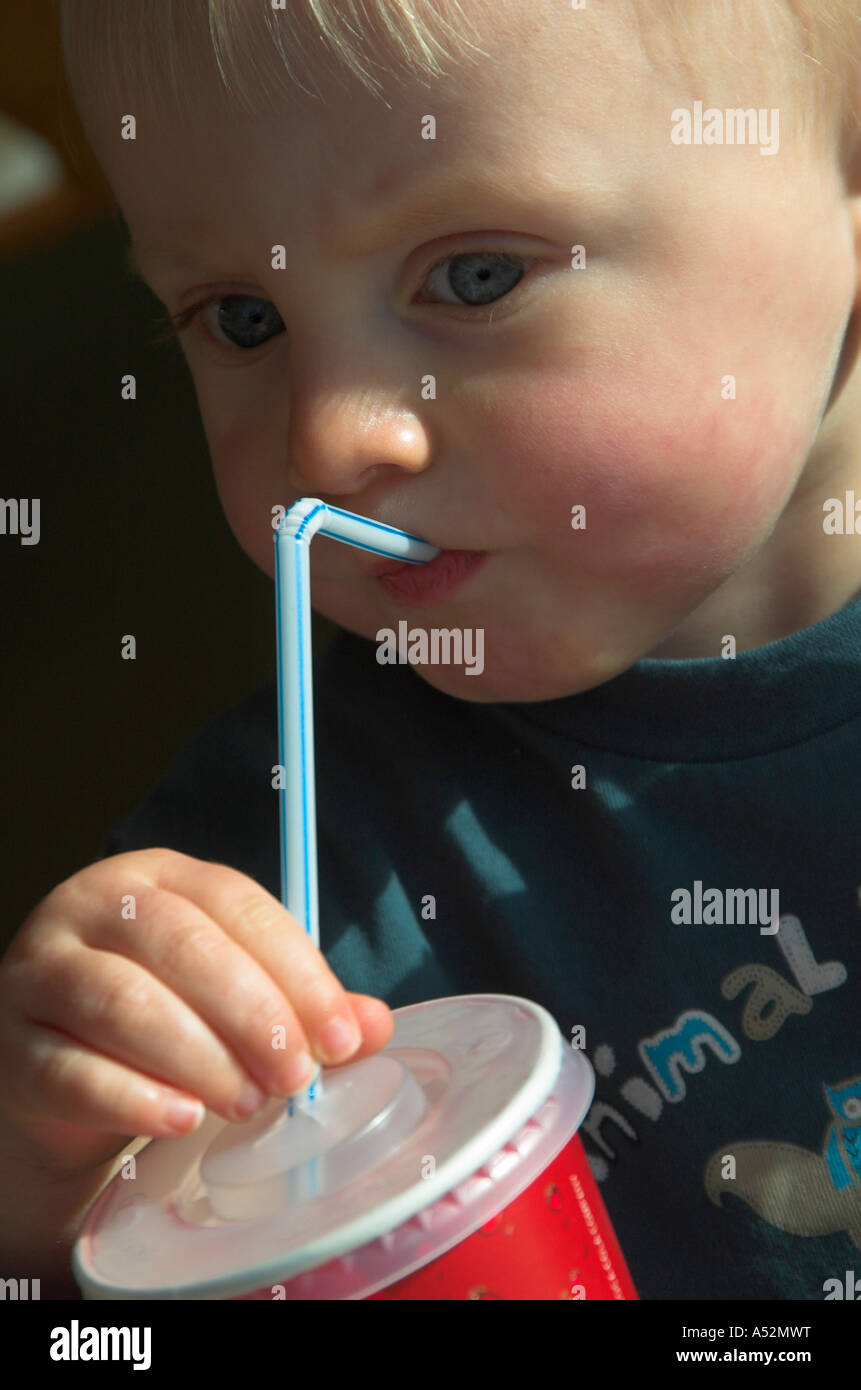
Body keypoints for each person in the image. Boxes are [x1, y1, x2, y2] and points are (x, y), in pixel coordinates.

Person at [1, 0, 859, 1300]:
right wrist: (49, 1202)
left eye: (475, 275)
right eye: (241, 318)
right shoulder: (268, 906)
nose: (326, 442)